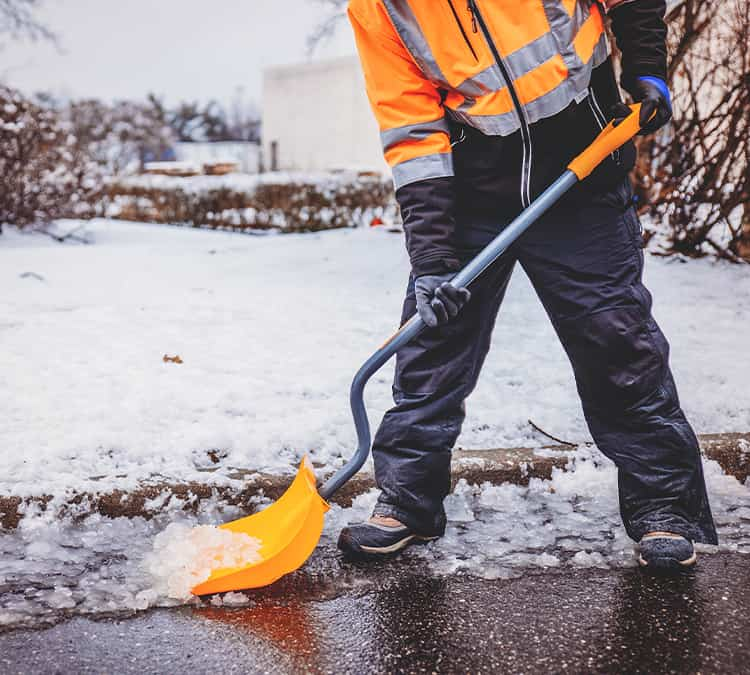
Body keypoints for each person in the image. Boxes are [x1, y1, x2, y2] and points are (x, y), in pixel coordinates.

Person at [339, 0, 717, 571]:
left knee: (616, 337)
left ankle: (664, 506)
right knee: (433, 342)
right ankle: (406, 503)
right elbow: (412, 130)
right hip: (471, 193)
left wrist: (647, 67)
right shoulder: (381, 9)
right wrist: (434, 258)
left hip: (583, 172)